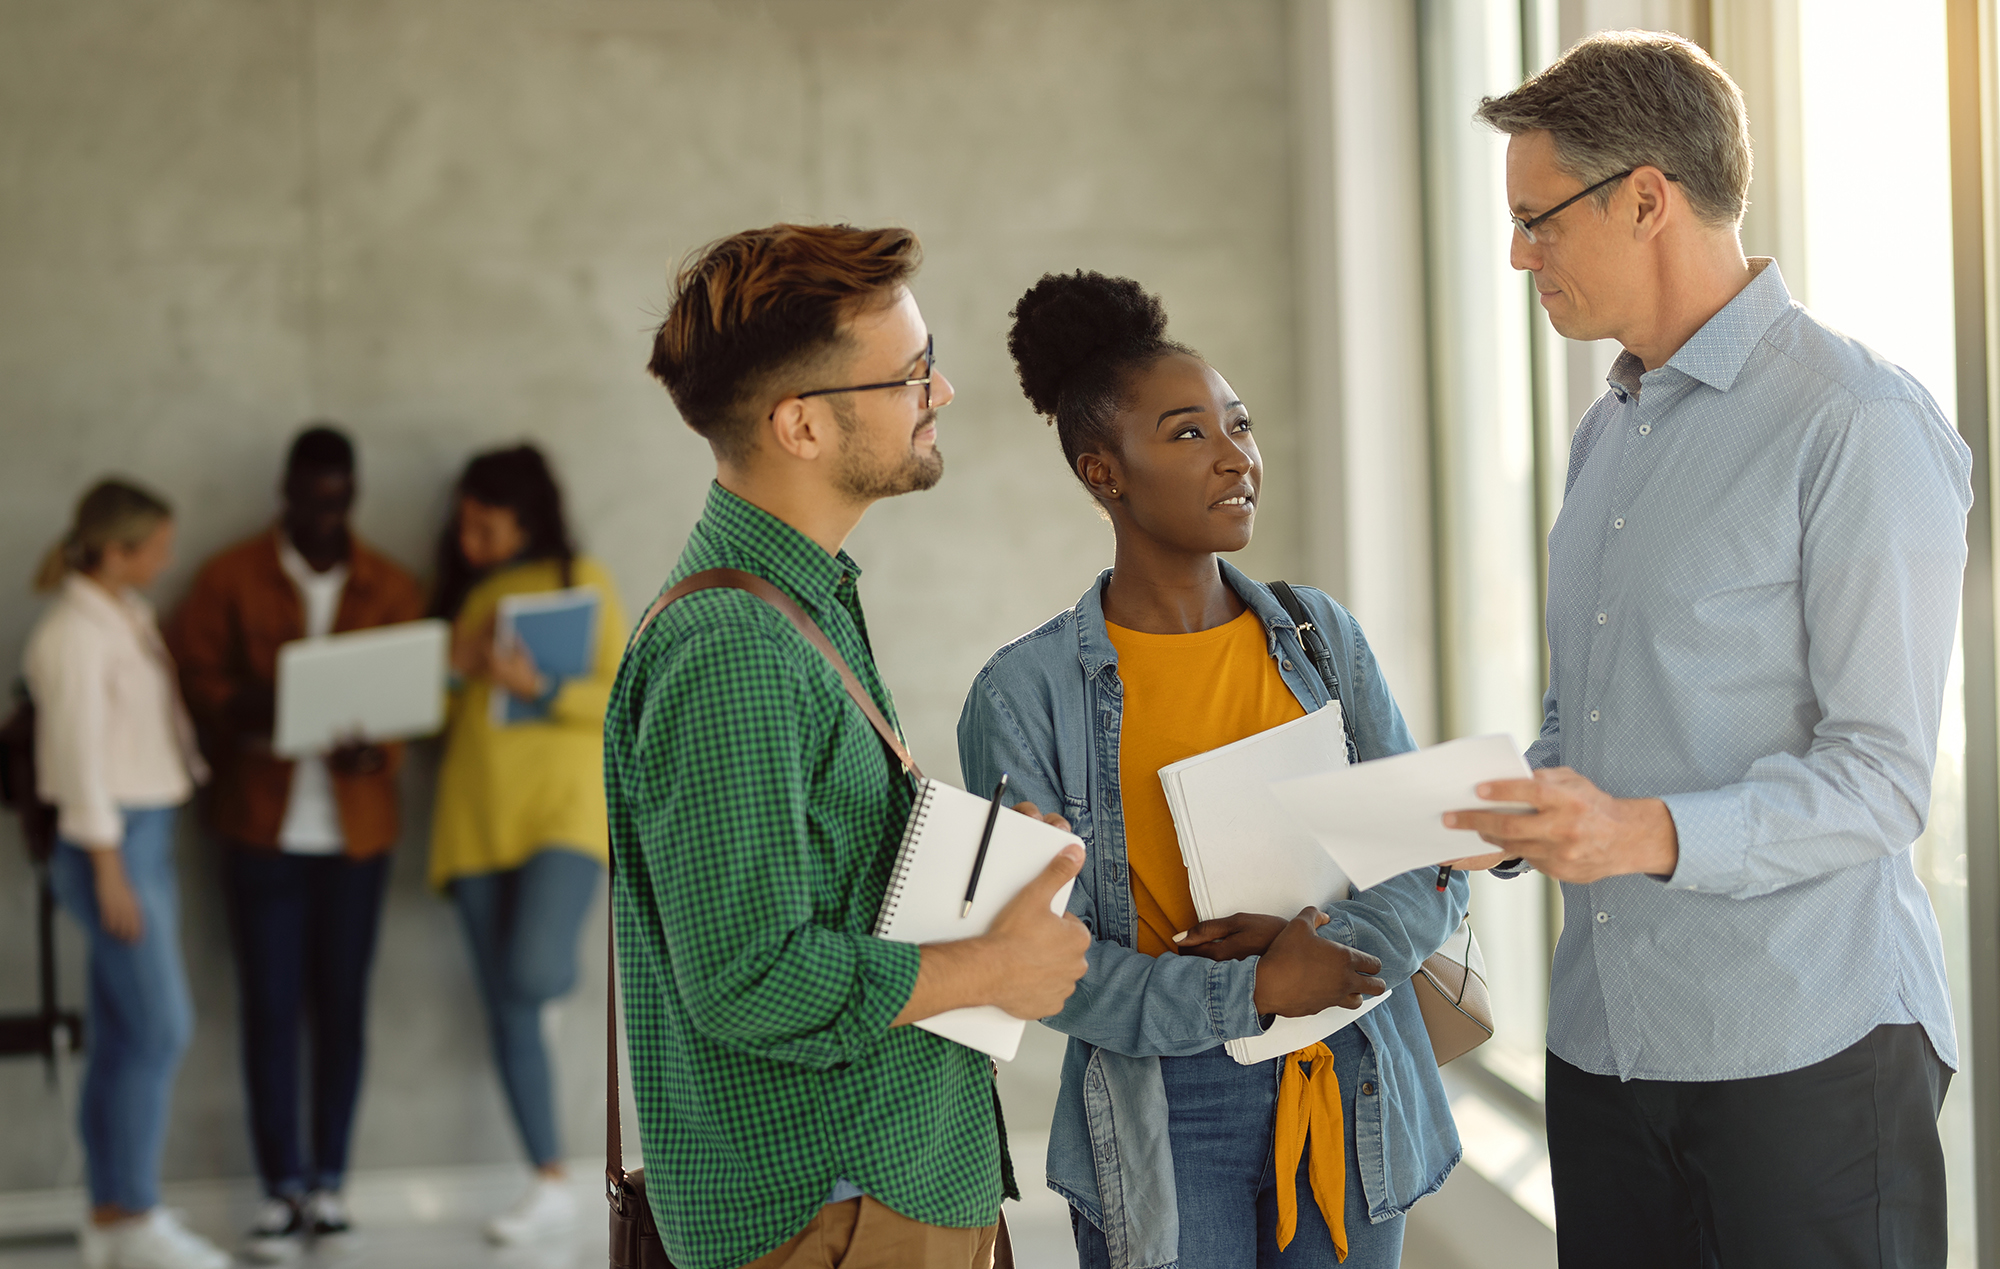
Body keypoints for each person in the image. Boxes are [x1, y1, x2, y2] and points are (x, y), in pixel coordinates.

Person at [1440, 32, 1971, 1268]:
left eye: (1538, 220)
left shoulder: (1855, 424)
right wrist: (1506, 805)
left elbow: (1882, 778)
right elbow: (1596, 723)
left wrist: (1637, 833)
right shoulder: (1606, 432)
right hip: (1607, 1049)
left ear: (1643, 199)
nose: (1519, 254)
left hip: (1806, 1056)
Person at [957, 272, 1464, 1269]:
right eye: (1189, 433)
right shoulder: (1022, 694)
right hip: (1164, 1108)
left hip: (1353, 1073)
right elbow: (1034, 965)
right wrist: (1252, 991)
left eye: (1238, 425)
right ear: (1103, 472)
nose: (1236, 457)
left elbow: (1427, 866)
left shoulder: (1321, 638)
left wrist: (1322, 951)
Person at [611, 223, 1092, 1269]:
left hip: (868, 1191)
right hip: (835, 1213)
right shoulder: (734, 648)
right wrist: (991, 966)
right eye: (911, 373)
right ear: (800, 427)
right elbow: (747, 978)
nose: (942, 391)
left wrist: (977, 880)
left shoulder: (795, 601)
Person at [167, 425, 424, 1262]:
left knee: (341, 1011)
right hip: (262, 827)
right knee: (271, 1009)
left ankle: (331, 1184)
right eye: (310, 498)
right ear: (286, 493)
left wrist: (371, 749)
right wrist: (264, 708)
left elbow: (408, 699)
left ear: (352, 495)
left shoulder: (389, 581)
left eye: (338, 498)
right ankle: (282, 1189)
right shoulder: (231, 576)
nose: (324, 514)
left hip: (356, 834)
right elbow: (193, 676)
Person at [25, 480, 229, 1269]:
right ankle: (132, 1211)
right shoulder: (73, 634)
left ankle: (112, 1215)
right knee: (158, 1026)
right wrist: (110, 869)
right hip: (108, 843)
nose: (167, 558)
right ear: (115, 549)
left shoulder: (124, 613)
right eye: (154, 545)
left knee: (121, 1034)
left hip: (144, 833)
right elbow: (77, 761)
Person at [426, 443, 625, 1244]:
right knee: (508, 1004)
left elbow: (620, 695)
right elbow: (431, 719)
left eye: (486, 523)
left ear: (526, 517)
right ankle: (547, 1178)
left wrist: (538, 686)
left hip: (563, 813)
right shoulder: (463, 604)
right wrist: (452, 664)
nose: (469, 538)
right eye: (462, 525)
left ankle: (538, 1001)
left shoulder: (582, 582)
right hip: (474, 819)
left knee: (533, 972)